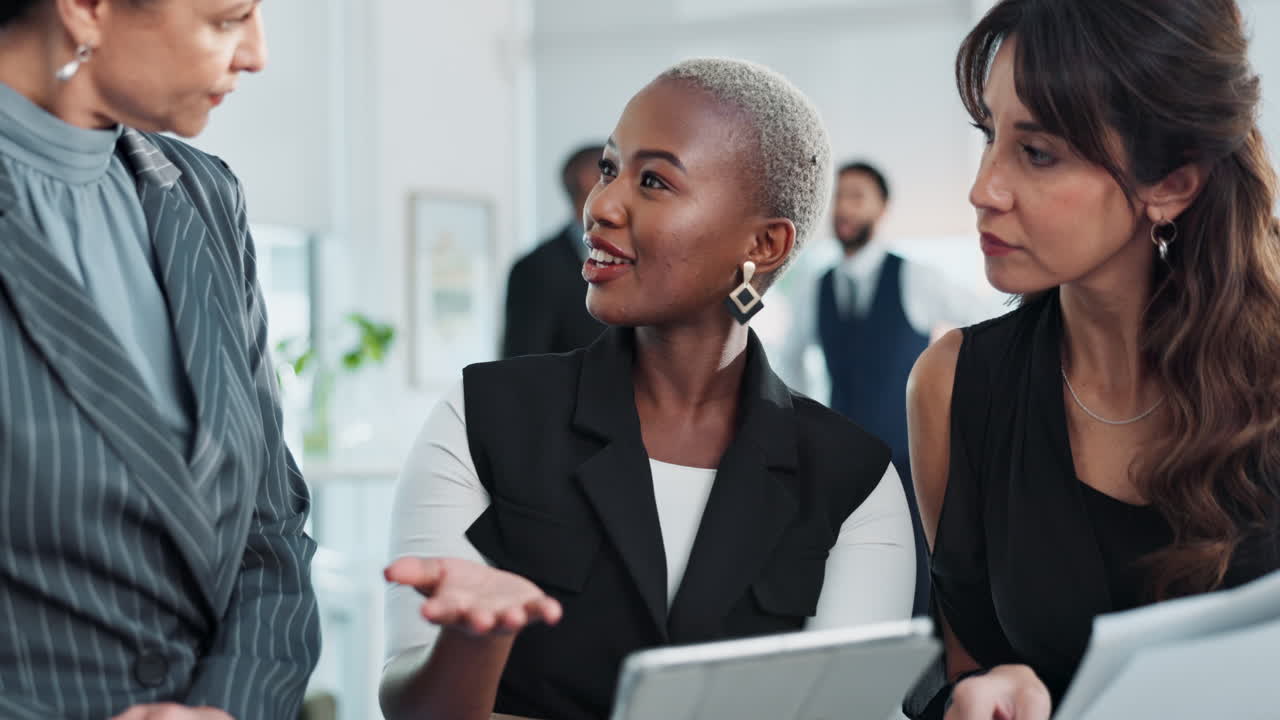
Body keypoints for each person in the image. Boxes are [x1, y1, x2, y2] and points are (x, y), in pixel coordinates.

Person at [381, 58, 916, 720]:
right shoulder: (482, 417)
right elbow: (409, 703)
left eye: (654, 181)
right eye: (609, 169)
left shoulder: (853, 480)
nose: (601, 205)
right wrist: (468, 645)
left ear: (765, 244)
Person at [907, 1, 1280, 718]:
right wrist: (979, 693)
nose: (983, 189)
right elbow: (965, 662)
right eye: (988, 136)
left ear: (1170, 183)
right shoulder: (955, 386)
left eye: (1037, 153)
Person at [0, 2, 321, 719]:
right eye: (226, 18)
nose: (256, 55)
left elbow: (269, 526)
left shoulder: (205, 195)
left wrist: (228, 706)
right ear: (86, 10)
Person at [781, 160, 998, 617]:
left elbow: (987, 325)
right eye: (838, 197)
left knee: (917, 578)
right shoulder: (815, 289)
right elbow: (790, 359)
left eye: (857, 197)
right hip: (843, 465)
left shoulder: (915, 276)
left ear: (882, 208)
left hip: (911, 460)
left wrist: (959, 404)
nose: (844, 208)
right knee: (852, 576)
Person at [501, 144, 607, 358]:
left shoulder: (636, 258)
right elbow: (522, 363)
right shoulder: (536, 268)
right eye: (612, 172)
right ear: (589, 180)